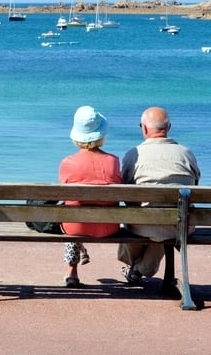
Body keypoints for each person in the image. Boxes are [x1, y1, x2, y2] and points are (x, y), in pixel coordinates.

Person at [117, 106, 201, 289]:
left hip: (143, 225)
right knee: (165, 227)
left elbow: (126, 193)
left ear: (144, 128)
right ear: (168, 127)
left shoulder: (133, 155)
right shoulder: (186, 153)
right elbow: (195, 186)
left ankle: (136, 268)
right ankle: (138, 270)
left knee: (139, 221)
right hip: (180, 225)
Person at [58, 106, 122, 288]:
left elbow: (66, 198)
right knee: (75, 210)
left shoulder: (68, 162)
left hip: (77, 228)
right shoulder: (113, 161)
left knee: (71, 211)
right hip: (109, 227)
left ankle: (71, 271)